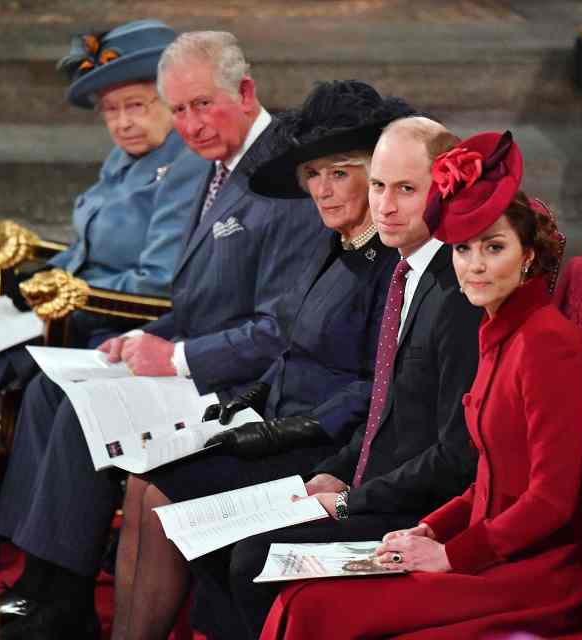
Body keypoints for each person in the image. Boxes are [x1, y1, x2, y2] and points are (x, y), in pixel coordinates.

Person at [0, 31, 325, 639]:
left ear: (245, 93)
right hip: (204, 356)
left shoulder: (283, 176)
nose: (190, 124)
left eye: (203, 104)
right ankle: (43, 581)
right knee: (53, 386)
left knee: (81, 409)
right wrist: (142, 337)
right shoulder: (214, 163)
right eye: (178, 109)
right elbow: (199, 299)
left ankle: (61, 600)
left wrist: (175, 355)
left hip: (251, 384)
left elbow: (280, 329)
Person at [0, 19, 201, 574]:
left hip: (118, 322)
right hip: (76, 305)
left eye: (137, 104)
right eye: (112, 110)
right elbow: (87, 250)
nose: (124, 122)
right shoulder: (125, 159)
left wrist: (66, 291)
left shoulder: (186, 164)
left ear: (170, 100)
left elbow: (159, 280)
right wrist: (34, 260)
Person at [260, 131, 582, 639]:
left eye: (495, 247)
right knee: (302, 594)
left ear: (528, 255)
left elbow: (551, 501)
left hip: (527, 569)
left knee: (314, 607)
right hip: (477, 542)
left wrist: (450, 551)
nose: (476, 265)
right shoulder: (498, 330)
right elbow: (487, 475)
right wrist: (432, 527)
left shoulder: (548, 343)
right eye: (463, 249)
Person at [110, 79, 412, 640]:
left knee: (158, 498)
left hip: (323, 445)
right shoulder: (333, 243)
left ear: (375, 175)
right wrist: (252, 399)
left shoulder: (388, 264)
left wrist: (282, 431)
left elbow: (377, 386)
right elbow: (292, 344)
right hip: (277, 425)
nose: (322, 189)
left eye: (339, 173)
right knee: (141, 478)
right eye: (314, 174)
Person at [167, 116, 482, 640]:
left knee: (252, 559)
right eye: (379, 186)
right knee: (204, 531)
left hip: (421, 513)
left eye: (407, 189)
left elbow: (455, 453)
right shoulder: (409, 274)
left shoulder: (457, 293)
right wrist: (335, 472)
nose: (385, 205)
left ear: (444, 190)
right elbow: (387, 407)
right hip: (368, 480)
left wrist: (348, 500)